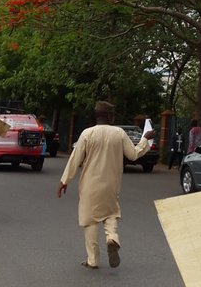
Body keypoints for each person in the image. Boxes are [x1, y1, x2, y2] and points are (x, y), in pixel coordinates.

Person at [57, 100, 155, 269]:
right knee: (110, 214)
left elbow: (75, 158)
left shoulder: (87, 134)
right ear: (109, 116)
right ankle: (112, 238)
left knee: (90, 221)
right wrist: (145, 139)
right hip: (111, 185)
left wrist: (64, 181)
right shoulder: (119, 133)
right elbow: (133, 154)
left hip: (90, 185)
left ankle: (93, 260)